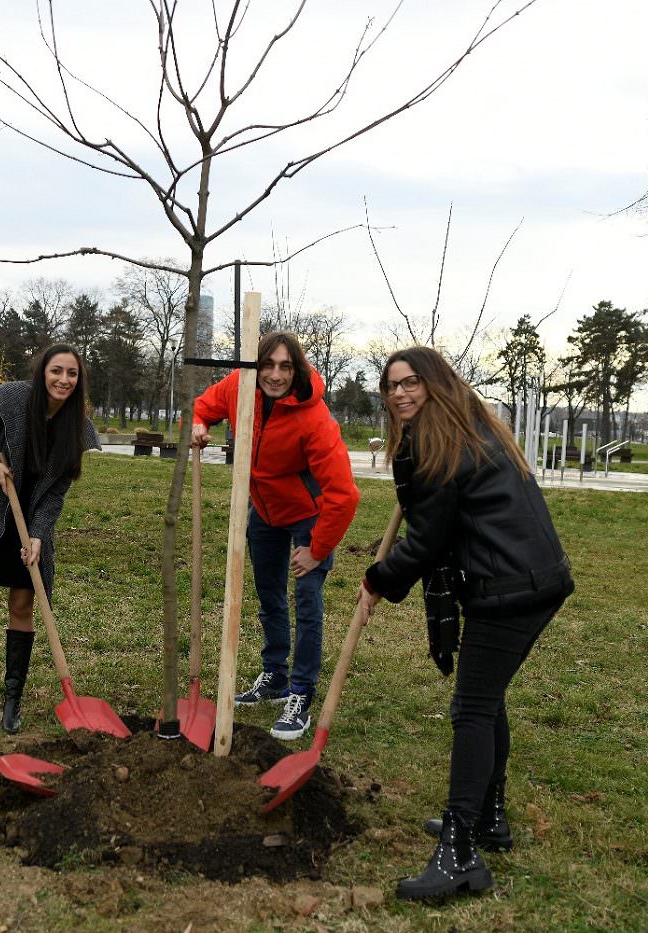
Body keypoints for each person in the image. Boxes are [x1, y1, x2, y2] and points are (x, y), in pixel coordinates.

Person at [356, 346, 574, 901]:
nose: (400, 393)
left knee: (472, 707)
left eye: (411, 383)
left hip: (511, 587)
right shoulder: (468, 426)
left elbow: (426, 543)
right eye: (391, 386)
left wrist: (379, 579)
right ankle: (488, 820)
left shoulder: (439, 444)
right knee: (487, 697)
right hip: (529, 576)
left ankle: (459, 856)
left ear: (434, 384)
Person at [191, 331, 359, 741]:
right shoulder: (238, 386)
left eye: (285, 366)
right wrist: (198, 424)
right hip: (265, 510)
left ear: (296, 368)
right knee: (269, 595)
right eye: (268, 365)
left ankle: (300, 692)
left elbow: (344, 494)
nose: (276, 375)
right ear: (255, 365)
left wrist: (317, 549)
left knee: (306, 601)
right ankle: (275, 676)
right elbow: (203, 405)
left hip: (308, 514)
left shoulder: (315, 419)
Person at [0, 344, 100, 733]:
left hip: (30, 521)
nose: (64, 380)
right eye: (57, 371)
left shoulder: (77, 427)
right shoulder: (11, 400)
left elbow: (57, 491)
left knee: (22, 604)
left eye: (72, 374)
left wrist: (40, 535)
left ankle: (13, 697)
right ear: (43, 371)